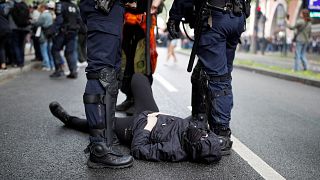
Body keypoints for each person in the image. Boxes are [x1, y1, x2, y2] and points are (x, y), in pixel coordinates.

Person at [49, 73, 222, 164]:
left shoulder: (173, 150)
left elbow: (138, 149)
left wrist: (149, 126)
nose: (204, 134)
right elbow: (203, 126)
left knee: (99, 125)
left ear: (194, 149)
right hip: (151, 112)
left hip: (135, 127)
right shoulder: (201, 134)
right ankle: (130, 101)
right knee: (138, 78)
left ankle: (68, 119)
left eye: (202, 138)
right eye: (206, 135)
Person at [167, 0, 247, 155]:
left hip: (215, 16)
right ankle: (200, 117)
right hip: (237, 16)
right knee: (212, 72)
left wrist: (175, 15)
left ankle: (221, 132)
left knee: (217, 78)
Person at [78, 0, 133, 169]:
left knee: (110, 73)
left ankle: (106, 140)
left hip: (111, 8)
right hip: (103, 6)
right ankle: (99, 147)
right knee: (102, 73)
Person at [115, 0, 163, 113]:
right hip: (126, 21)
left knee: (142, 62)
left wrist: (155, 4)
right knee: (125, 61)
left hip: (144, 22)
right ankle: (129, 98)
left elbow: (156, 4)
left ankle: (140, 101)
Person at [49, 0, 81, 78]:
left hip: (63, 32)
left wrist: (51, 31)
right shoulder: (74, 6)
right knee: (70, 52)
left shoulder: (60, 4)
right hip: (73, 32)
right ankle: (73, 71)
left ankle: (59, 70)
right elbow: (79, 19)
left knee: (55, 49)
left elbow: (59, 20)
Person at [34, 3, 54, 71]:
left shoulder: (43, 15)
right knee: (50, 51)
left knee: (44, 50)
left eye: (40, 8)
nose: (39, 9)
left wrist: (34, 22)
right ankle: (52, 65)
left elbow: (37, 23)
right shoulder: (50, 14)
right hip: (50, 34)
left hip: (43, 34)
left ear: (43, 8)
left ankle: (47, 65)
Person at [0, 0, 12, 70]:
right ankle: (3, 64)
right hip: (6, 29)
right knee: (2, 47)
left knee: (1, 47)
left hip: (1, 30)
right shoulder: (3, 10)